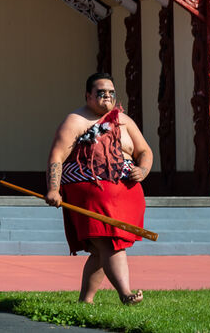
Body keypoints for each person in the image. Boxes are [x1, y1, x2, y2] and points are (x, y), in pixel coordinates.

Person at [45, 71, 151, 306]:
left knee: (102, 250)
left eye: (111, 93)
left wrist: (142, 170)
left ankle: (86, 300)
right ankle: (126, 294)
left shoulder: (124, 121)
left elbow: (145, 151)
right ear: (88, 96)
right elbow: (57, 156)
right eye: (101, 92)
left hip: (125, 194)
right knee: (109, 241)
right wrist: (53, 189)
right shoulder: (75, 121)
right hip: (91, 192)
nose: (107, 96)